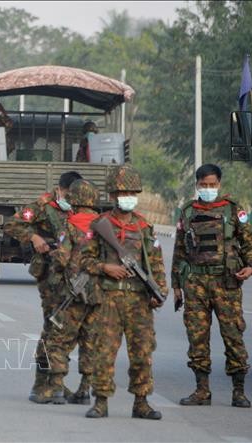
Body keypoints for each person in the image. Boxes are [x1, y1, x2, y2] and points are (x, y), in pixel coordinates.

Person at [80, 164, 166, 420]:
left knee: (142, 353)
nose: (127, 196)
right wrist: (105, 267)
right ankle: (100, 401)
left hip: (139, 300)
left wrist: (158, 291)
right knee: (104, 351)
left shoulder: (144, 227)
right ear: (113, 195)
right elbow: (82, 261)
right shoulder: (100, 225)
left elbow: (156, 263)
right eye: (122, 192)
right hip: (109, 299)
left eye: (131, 192)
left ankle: (142, 402)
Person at [172, 163, 252, 408]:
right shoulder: (188, 212)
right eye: (203, 185)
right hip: (196, 283)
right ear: (197, 185)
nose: (208, 189)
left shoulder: (232, 209)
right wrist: (176, 286)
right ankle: (201, 391)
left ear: (219, 184)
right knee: (197, 336)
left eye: (212, 185)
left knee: (233, 335)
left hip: (226, 283)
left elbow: (249, 242)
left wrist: (250, 266)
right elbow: (179, 251)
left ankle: (239, 391)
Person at [3, 170, 82, 404]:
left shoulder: (79, 208)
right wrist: (34, 237)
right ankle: (41, 384)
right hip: (49, 275)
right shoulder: (43, 204)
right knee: (53, 326)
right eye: (69, 193)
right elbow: (12, 224)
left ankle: (56, 381)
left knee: (68, 329)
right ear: (61, 189)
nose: (72, 197)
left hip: (73, 276)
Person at [43, 179, 101, 405]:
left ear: (74, 199)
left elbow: (62, 257)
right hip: (98, 293)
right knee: (91, 340)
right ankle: (85, 389)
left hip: (72, 292)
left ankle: (57, 387)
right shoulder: (105, 223)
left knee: (59, 339)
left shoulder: (69, 224)